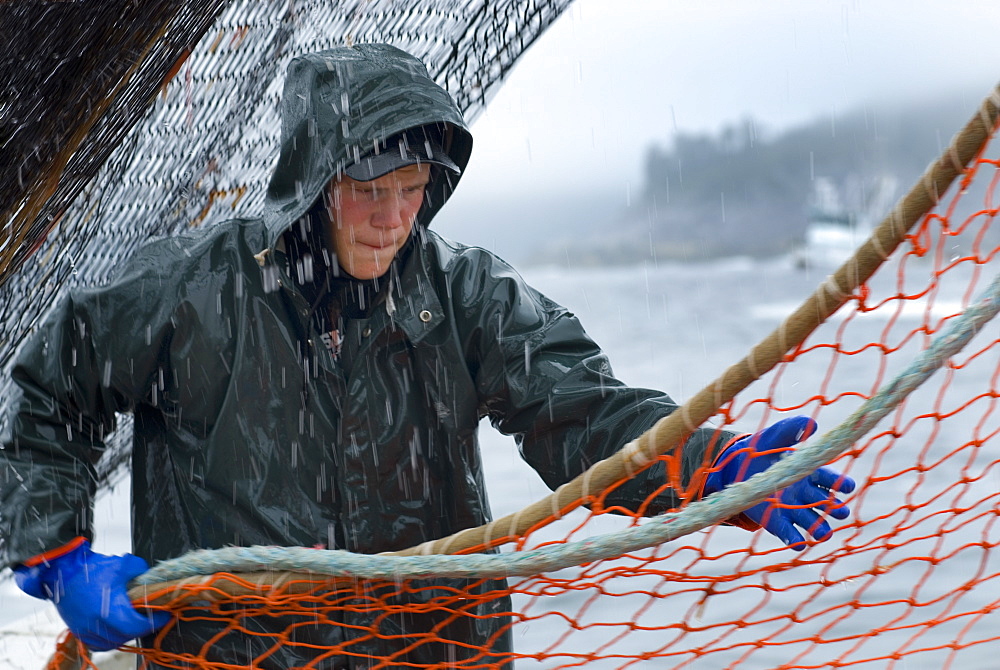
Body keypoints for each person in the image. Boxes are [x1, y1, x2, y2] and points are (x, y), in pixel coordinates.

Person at [0, 44, 854, 667]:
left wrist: (712, 465)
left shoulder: (466, 292)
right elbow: (47, 392)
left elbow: (584, 412)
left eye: (413, 191)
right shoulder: (191, 288)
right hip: (237, 655)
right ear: (313, 186)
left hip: (439, 653)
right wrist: (60, 557)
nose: (392, 218)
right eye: (370, 192)